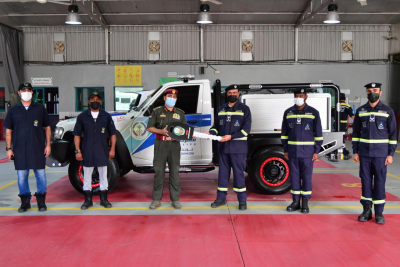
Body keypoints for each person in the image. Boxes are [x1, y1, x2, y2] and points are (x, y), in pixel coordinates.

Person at [352, 83, 397, 225]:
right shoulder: (361, 111)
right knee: (365, 182)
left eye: (375, 91)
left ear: (380, 92)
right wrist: (355, 151)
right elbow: (355, 134)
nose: (373, 93)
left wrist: (391, 154)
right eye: (370, 91)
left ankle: (379, 212)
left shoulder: (388, 111)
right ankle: (366, 211)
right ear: (366, 92)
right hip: (364, 154)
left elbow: (394, 135)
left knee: (379, 182)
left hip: (381, 155)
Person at [4, 83, 51, 213]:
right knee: (22, 176)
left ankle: (41, 201)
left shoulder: (40, 109)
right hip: (20, 150)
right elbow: (8, 130)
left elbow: (47, 128)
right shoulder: (13, 111)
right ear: (19, 92)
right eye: (24, 90)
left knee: (41, 175)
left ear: (32, 92)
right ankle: (25, 201)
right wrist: (9, 148)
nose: (26, 91)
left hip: (38, 148)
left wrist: (48, 145)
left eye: (29, 90)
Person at [208, 85, 252, 210]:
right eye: (230, 92)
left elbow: (246, 130)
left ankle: (242, 201)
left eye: (234, 92)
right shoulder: (221, 109)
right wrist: (210, 133)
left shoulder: (244, 109)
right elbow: (215, 126)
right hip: (223, 148)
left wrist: (231, 137)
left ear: (238, 94)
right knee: (222, 174)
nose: (232, 94)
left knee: (238, 174)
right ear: (226, 94)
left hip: (238, 149)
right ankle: (221, 198)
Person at [281, 88, 323, 213]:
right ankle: (295, 202)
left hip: (307, 152)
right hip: (293, 152)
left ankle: (305, 202)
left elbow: (318, 134)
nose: (298, 97)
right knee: (294, 177)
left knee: (306, 177)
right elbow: (284, 134)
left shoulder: (313, 112)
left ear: (306, 97)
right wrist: (286, 150)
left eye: (301, 95)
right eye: (296, 95)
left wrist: (316, 151)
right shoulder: (288, 112)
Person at [73, 92, 117, 210]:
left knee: (104, 176)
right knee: (87, 176)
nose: (95, 101)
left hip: (102, 151)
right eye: (93, 99)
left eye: (97, 99)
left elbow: (113, 134)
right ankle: (88, 200)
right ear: (88, 101)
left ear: (101, 102)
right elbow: (76, 135)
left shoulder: (106, 116)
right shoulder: (82, 116)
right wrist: (78, 151)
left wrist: (112, 149)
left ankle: (104, 199)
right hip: (87, 151)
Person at [147, 89, 187, 210]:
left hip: (174, 146)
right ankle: (156, 199)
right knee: (159, 171)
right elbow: (149, 128)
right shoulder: (157, 111)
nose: (172, 98)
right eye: (170, 96)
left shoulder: (180, 113)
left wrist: (188, 134)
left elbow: (185, 130)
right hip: (161, 144)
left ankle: (175, 199)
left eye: (174, 96)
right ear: (164, 98)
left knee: (174, 172)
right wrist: (161, 131)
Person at [339, 93, 355, 160]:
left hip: (336, 125)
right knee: (341, 139)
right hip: (343, 125)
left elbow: (330, 117)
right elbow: (353, 117)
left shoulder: (335, 106)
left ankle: (342, 152)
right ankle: (345, 153)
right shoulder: (347, 106)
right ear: (344, 99)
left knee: (338, 138)